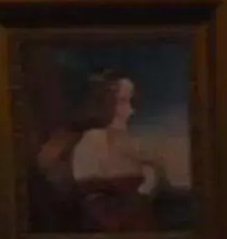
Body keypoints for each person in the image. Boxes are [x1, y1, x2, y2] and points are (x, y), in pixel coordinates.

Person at [69, 73, 167, 228]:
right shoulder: (93, 141)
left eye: (131, 101)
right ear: (105, 103)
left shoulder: (131, 141)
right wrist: (143, 190)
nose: (131, 109)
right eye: (122, 101)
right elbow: (101, 210)